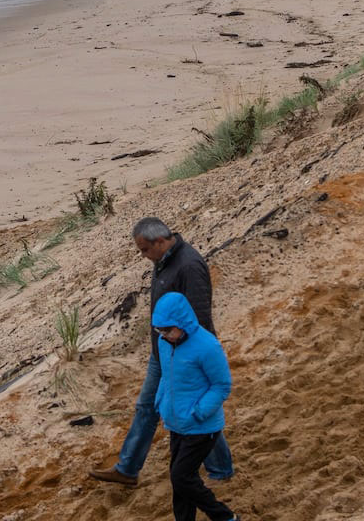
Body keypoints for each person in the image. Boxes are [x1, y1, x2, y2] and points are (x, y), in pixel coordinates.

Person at [89, 217, 233, 486]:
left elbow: (199, 316)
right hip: (163, 352)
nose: (143, 256)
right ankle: (128, 468)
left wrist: (184, 356)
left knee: (197, 415)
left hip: (185, 356)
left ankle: (221, 469)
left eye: (144, 249)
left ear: (159, 241)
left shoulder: (189, 265)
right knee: (146, 407)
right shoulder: (162, 261)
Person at [152, 292, 239, 521]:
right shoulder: (164, 343)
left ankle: (225, 517)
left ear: (182, 322)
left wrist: (198, 412)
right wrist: (161, 401)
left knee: (181, 477)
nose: (164, 336)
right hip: (176, 423)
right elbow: (166, 376)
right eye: (160, 330)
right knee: (180, 478)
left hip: (202, 427)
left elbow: (221, 385)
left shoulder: (207, 346)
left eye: (168, 330)